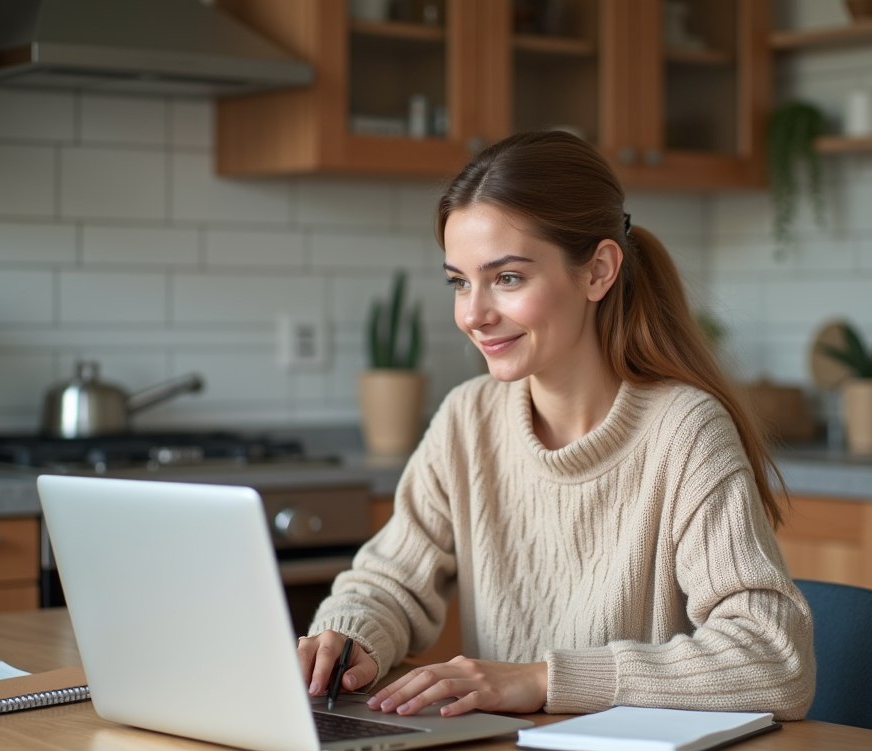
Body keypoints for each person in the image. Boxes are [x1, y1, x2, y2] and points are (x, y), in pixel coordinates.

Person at [297, 131, 815, 720]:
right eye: (460, 281)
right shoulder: (468, 419)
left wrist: (544, 680)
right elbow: (389, 582)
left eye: (508, 278)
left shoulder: (685, 431)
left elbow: (775, 661)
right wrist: (349, 637)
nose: (473, 314)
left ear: (597, 271)